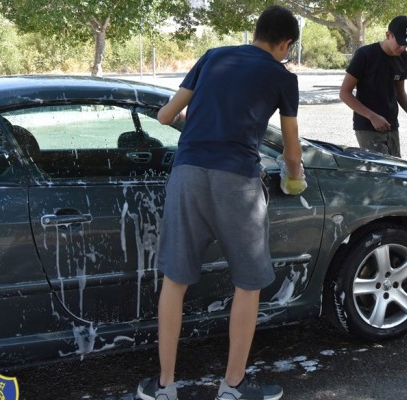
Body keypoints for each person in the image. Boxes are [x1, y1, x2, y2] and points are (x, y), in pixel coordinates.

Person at [136, 6, 306, 400]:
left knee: (175, 280)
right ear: (285, 44)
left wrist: (203, 124)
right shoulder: (282, 77)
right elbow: (292, 149)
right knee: (248, 283)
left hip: (188, 172)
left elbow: (164, 115)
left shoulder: (214, 56)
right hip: (237, 181)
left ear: (255, 32)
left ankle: (164, 386)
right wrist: (294, 177)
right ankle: (231, 387)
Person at [339, 15, 407, 157]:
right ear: (388, 35)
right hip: (368, 127)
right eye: (399, 43)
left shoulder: (402, 57)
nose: (402, 48)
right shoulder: (365, 55)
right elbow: (344, 93)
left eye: (406, 45)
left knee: (396, 172)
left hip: (392, 126)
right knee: (382, 174)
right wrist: (372, 116)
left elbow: (400, 93)